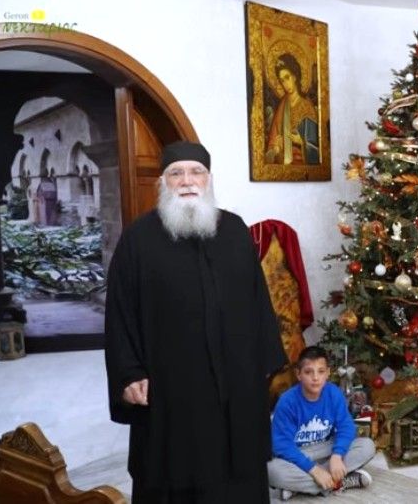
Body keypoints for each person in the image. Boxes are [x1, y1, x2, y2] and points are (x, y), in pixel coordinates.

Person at [104, 141, 286, 503]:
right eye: (176, 173)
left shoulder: (234, 230)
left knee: (238, 475)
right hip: (171, 390)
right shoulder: (138, 239)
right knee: (173, 473)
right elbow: (119, 314)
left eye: (196, 172)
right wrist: (128, 373)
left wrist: (265, 360)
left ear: (208, 179)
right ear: (163, 182)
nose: (187, 180)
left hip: (236, 385)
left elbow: (259, 298)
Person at [267, 346, 375, 499]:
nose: (315, 378)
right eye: (308, 372)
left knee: (367, 446)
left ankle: (301, 487)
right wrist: (313, 469)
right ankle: (338, 483)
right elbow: (281, 444)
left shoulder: (333, 393)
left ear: (328, 373)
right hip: (298, 453)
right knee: (271, 470)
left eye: (321, 371)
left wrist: (337, 455)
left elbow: (346, 426)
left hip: (326, 449)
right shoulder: (287, 401)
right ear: (298, 374)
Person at [266, 53, 319, 166]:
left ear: (294, 77)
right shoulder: (282, 105)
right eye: (282, 80)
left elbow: (316, 147)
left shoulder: (306, 106)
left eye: (287, 77)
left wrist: (300, 142)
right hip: (283, 164)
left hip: (301, 165)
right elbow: (272, 143)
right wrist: (276, 148)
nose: (285, 84)